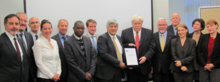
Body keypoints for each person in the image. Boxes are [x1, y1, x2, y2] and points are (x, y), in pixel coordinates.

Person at [121, 15, 154, 82]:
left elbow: (152, 48)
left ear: (142, 23)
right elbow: (121, 46)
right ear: (132, 23)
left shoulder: (149, 32)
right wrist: (127, 45)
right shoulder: (125, 32)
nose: (137, 25)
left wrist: (146, 57)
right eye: (135, 23)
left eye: (139, 23)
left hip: (144, 65)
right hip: (131, 67)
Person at [0, 14, 29, 82]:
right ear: (5, 24)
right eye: (11, 23)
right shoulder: (1, 41)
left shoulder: (20, 40)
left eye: (16, 24)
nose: (14, 26)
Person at [146, 18, 175, 82]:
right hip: (156, 67)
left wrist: (173, 66)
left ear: (167, 25)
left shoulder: (173, 36)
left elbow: (174, 53)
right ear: (157, 26)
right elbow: (151, 51)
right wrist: (151, 65)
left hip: (169, 67)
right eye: (159, 25)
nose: (161, 27)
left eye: (163, 24)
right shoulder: (153, 36)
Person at [16, 12, 37, 82]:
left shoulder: (29, 36)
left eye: (25, 21)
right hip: (17, 75)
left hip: (30, 75)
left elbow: (31, 56)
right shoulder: (11, 37)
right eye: (20, 20)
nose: (23, 23)